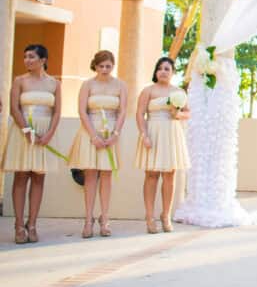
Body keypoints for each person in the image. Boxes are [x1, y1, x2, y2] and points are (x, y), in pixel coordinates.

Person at [66, 49, 126, 238]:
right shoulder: (87, 85)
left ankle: (105, 219)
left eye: (108, 66)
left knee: (107, 177)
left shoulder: (120, 85)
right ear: (95, 66)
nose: (105, 69)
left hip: (110, 134)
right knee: (90, 176)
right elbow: (82, 111)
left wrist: (115, 134)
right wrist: (93, 135)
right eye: (101, 66)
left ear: (113, 66)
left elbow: (122, 111)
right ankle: (88, 219)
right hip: (89, 132)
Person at [5, 44, 60, 245]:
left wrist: (49, 134)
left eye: (32, 56)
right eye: (25, 56)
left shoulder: (54, 84)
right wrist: (27, 131)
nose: (27, 60)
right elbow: (14, 108)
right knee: (21, 176)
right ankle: (19, 225)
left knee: (38, 177)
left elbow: (57, 112)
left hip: (45, 131)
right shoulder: (19, 81)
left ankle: (33, 223)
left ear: (43, 60)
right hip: (23, 132)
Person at [135, 55, 189, 233]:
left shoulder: (179, 92)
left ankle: (166, 215)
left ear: (173, 72)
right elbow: (140, 114)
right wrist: (144, 135)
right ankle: (149, 217)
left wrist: (177, 114)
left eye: (167, 69)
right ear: (156, 71)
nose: (163, 71)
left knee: (169, 176)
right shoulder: (148, 91)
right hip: (153, 132)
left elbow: (187, 114)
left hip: (172, 133)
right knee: (151, 175)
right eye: (160, 68)